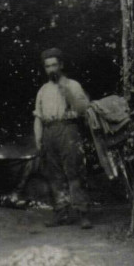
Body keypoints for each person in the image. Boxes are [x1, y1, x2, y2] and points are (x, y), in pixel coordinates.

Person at [33, 48, 92, 229]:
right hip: (49, 132)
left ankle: (82, 213)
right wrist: (38, 139)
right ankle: (60, 213)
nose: (51, 69)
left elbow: (84, 110)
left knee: (74, 172)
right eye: (47, 66)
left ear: (61, 65)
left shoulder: (73, 85)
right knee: (54, 174)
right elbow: (38, 117)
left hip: (68, 130)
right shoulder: (43, 90)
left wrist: (66, 90)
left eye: (54, 65)